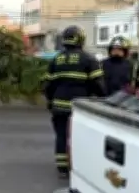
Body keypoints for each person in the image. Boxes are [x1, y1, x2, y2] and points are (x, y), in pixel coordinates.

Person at [43, 25, 105, 178]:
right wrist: (105, 98)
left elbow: (47, 85)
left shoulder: (56, 59)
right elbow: (98, 83)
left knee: (61, 135)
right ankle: (79, 166)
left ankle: (62, 167)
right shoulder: (89, 59)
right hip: (79, 107)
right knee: (80, 137)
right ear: (81, 40)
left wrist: (51, 101)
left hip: (59, 105)